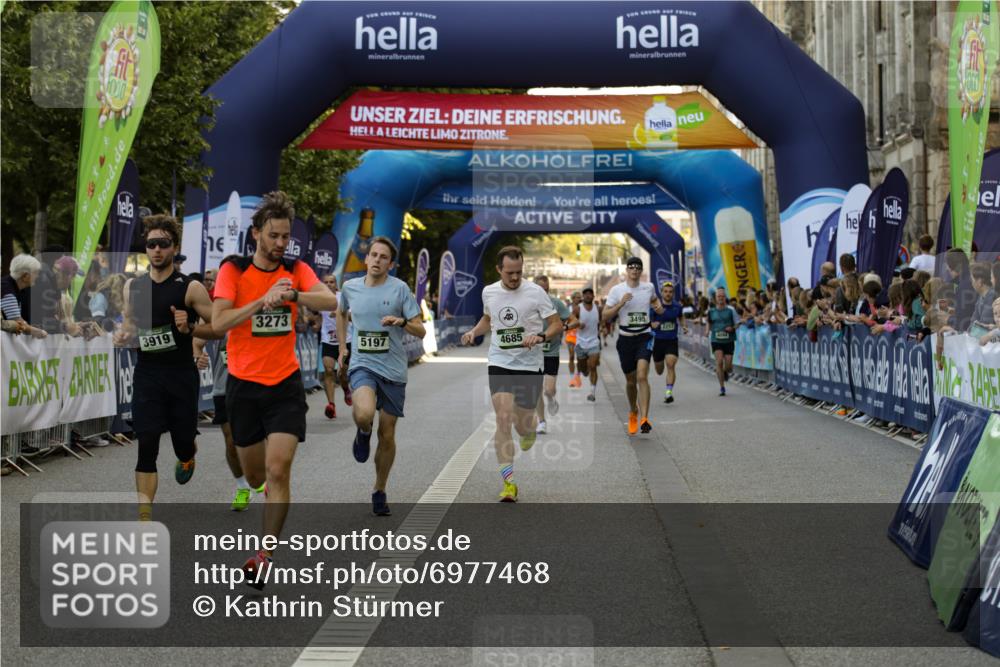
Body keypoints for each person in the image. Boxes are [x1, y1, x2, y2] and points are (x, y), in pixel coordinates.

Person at [211, 191, 337, 587]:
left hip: (285, 384)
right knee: (254, 476)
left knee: (278, 469)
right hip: (244, 385)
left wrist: (294, 295)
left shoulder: (297, 269)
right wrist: (261, 302)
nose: (281, 243)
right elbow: (218, 323)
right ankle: (258, 491)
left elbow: (330, 300)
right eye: (274, 236)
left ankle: (264, 556)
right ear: (256, 235)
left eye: (286, 236)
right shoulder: (233, 269)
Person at [114, 215, 218, 521]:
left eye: (163, 244)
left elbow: (218, 328)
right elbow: (131, 326)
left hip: (181, 376)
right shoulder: (133, 286)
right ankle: (145, 516)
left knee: (183, 442)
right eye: (151, 244)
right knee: (146, 441)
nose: (157, 250)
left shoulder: (190, 287)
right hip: (148, 375)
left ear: (174, 248)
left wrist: (190, 330)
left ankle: (187, 456)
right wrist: (125, 335)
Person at [461, 246, 562, 502]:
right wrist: (475, 332)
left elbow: (556, 324)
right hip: (500, 361)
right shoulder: (489, 291)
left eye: (518, 272)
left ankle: (528, 430)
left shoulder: (536, 292)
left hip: (529, 365)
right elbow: (488, 319)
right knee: (503, 417)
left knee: (523, 424)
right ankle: (509, 483)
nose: (515, 278)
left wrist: (540, 336)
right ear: (499, 270)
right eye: (509, 273)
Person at [337, 236, 424, 516]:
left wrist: (401, 321)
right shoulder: (350, 288)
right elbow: (341, 313)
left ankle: (379, 488)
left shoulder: (400, 290)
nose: (376, 260)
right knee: (363, 413)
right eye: (373, 255)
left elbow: (420, 329)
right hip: (363, 364)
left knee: (387, 434)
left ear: (391, 263)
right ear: (366, 258)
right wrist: (342, 348)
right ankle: (363, 432)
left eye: (383, 257)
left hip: (394, 370)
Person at [603, 257, 660, 434]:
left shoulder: (648, 287)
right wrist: (621, 303)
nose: (635, 270)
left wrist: (658, 308)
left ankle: (644, 418)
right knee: (630, 380)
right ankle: (633, 411)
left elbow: (654, 300)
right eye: (631, 267)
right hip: (625, 339)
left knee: (642, 375)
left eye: (638, 267)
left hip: (644, 336)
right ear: (626, 271)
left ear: (641, 271)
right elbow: (605, 316)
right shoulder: (617, 290)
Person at [533, 276, 576, 434]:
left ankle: (551, 398)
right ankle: (542, 421)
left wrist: (563, 328)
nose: (544, 292)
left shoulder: (556, 304)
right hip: (534, 352)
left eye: (547, 289)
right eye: (541, 289)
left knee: (548, 390)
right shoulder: (528, 304)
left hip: (551, 351)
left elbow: (575, 321)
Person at [649, 281, 687, 403]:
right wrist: (652, 324)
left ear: (673, 294)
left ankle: (668, 393)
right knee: (659, 370)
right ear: (661, 293)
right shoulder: (655, 307)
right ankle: (660, 367)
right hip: (658, 341)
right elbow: (648, 321)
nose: (668, 294)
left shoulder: (677, 306)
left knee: (670, 365)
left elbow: (681, 317)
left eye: (670, 292)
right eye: (665, 292)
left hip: (671, 340)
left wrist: (684, 325)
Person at [319, 274, 349, 419]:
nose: (329, 284)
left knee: (343, 373)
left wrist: (339, 314)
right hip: (328, 340)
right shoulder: (318, 298)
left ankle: (345, 389)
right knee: (329, 370)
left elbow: (353, 315)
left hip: (344, 340)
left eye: (332, 282)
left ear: (336, 284)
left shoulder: (342, 296)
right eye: (326, 282)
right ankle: (331, 405)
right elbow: (315, 315)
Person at [2, 254, 47, 338]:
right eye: (35, 273)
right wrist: (37, 331)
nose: (37, 276)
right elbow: (18, 323)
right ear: (25, 276)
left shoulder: (11, 287)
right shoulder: (7, 291)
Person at [705, 287, 738, 396]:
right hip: (716, 340)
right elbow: (708, 322)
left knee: (728, 367)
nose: (721, 298)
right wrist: (706, 331)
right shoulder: (711, 311)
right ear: (715, 298)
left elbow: (738, 323)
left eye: (722, 296)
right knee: (718, 362)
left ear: (725, 297)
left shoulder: (731, 310)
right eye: (719, 296)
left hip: (728, 340)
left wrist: (732, 328)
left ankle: (725, 371)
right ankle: (722, 387)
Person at [574, 287, 603, 402]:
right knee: (583, 369)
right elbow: (569, 320)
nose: (587, 296)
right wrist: (577, 324)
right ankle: (583, 371)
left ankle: (592, 392)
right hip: (580, 342)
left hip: (594, 342)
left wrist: (604, 328)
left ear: (593, 296)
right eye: (585, 294)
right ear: (583, 296)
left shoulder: (598, 309)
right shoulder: (578, 309)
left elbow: (602, 320)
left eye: (590, 294)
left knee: (593, 366)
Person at [565, 291, 582, 387]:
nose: (579, 299)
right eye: (577, 297)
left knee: (580, 358)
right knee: (571, 356)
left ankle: (578, 376)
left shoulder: (583, 307)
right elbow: (564, 319)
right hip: (570, 334)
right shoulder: (568, 308)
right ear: (573, 298)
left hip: (581, 335)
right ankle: (572, 378)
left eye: (580, 297)